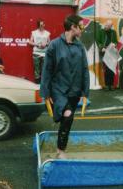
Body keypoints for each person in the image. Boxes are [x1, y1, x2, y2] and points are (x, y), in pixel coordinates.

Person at [40, 15, 90, 159]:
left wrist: (85, 91)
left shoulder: (80, 46)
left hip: (74, 90)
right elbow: (47, 70)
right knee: (67, 115)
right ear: (73, 27)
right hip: (59, 89)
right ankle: (60, 150)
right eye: (81, 26)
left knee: (67, 118)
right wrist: (46, 92)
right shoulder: (55, 45)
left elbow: (84, 69)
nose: (82, 29)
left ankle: (60, 143)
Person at [97, 20, 118, 91]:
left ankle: (111, 85)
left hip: (111, 51)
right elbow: (98, 41)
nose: (106, 26)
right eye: (105, 25)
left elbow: (116, 41)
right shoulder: (100, 31)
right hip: (104, 51)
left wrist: (114, 44)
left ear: (111, 26)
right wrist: (101, 47)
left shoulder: (113, 32)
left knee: (111, 68)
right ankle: (106, 85)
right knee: (106, 69)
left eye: (108, 26)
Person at [29, 19, 50, 84]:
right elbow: (30, 42)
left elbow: (49, 42)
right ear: (38, 25)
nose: (42, 26)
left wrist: (45, 44)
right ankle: (37, 84)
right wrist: (37, 44)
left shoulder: (47, 33)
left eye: (43, 24)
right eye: (41, 25)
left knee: (44, 69)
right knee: (37, 70)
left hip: (44, 53)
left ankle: (43, 84)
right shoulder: (34, 32)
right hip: (36, 53)